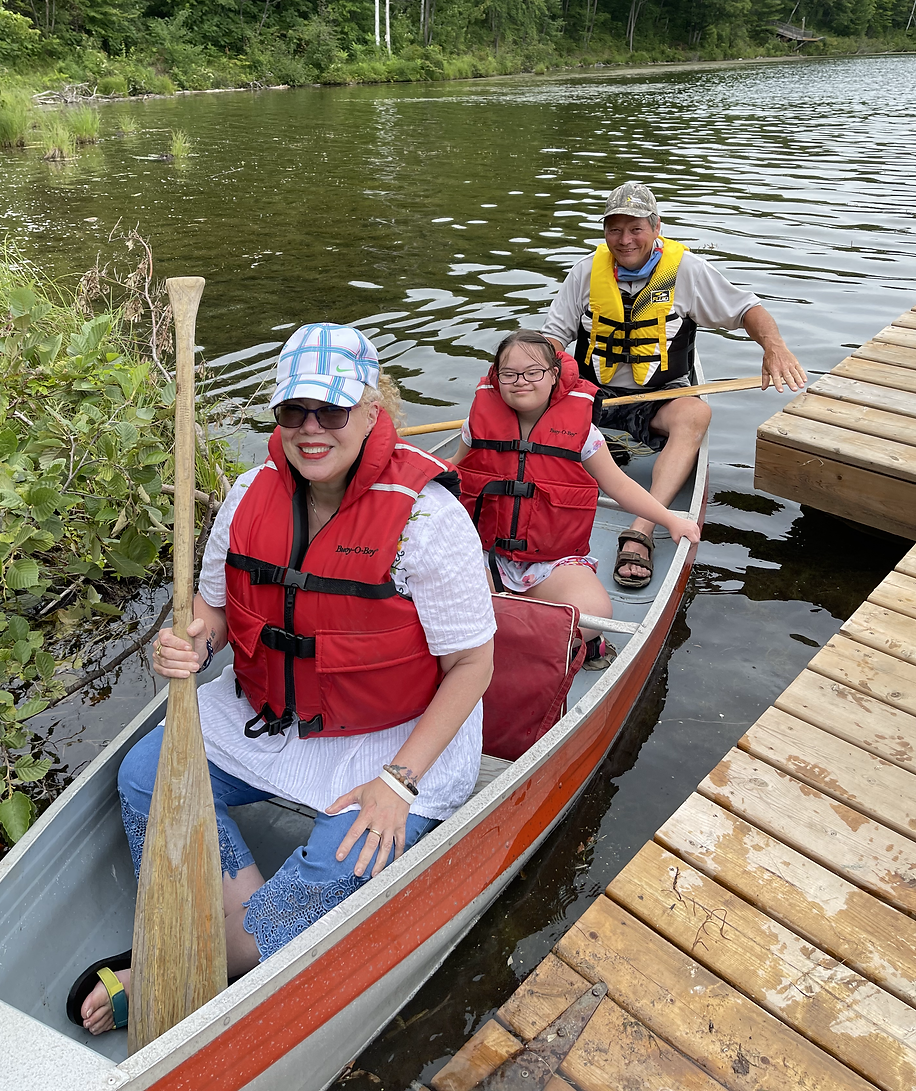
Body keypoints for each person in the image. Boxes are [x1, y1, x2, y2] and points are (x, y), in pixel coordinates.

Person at [71, 323, 495, 1036]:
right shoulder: (248, 492)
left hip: (392, 739)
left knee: (351, 856)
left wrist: (398, 782)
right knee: (145, 772)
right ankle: (243, 929)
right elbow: (210, 611)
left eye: (330, 411)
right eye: (293, 411)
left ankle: (201, 957)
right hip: (270, 715)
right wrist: (189, 642)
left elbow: (473, 666)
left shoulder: (427, 515)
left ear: (371, 409)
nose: (310, 429)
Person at [543, 181, 806, 589]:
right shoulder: (585, 273)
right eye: (614, 229)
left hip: (660, 396)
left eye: (636, 229)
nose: (624, 240)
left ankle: (642, 529)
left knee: (697, 412)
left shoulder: (687, 271)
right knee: (531, 388)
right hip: (592, 396)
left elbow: (747, 309)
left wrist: (774, 347)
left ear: (656, 227)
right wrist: (526, 373)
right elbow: (553, 339)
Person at [451, 329, 701, 665]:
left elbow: (619, 486)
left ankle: (555, 640)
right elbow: (449, 476)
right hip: (486, 552)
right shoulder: (475, 425)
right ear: (496, 377)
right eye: (508, 374)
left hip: (551, 561)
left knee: (594, 612)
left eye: (533, 372)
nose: (520, 381)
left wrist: (670, 519)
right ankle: (525, 637)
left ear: (554, 375)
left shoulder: (583, 433)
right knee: (455, 607)